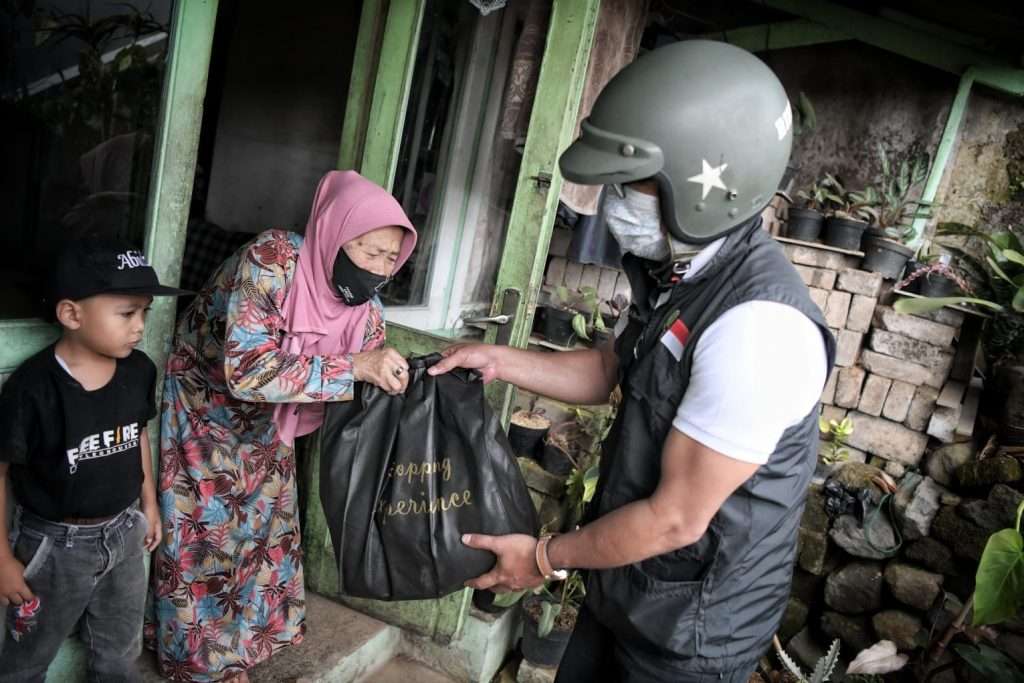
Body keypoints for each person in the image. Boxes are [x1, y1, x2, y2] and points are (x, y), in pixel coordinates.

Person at [429, 41, 836, 681]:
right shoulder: (683, 273)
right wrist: (498, 359)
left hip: (690, 632)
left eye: (632, 183)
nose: (614, 200)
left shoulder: (758, 331)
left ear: (711, 186)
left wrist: (542, 557)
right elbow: (615, 372)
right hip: (630, 588)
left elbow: (675, 518)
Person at [149, 171, 417, 682]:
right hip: (205, 407)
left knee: (261, 536)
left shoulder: (367, 311)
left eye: (391, 257)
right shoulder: (274, 260)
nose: (380, 268)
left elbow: (369, 369)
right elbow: (246, 369)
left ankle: (240, 649)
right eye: (369, 250)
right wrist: (354, 368)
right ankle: (203, 666)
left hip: (272, 421)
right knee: (205, 539)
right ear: (336, 231)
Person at [0, 240, 188, 681]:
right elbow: (2, 471)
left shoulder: (138, 370)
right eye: (127, 313)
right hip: (55, 547)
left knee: (119, 653)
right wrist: (3, 560)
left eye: (145, 312)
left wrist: (149, 504)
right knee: (27, 660)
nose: (139, 326)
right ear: (71, 314)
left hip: (124, 534)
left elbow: (136, 433)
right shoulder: (34, 389)